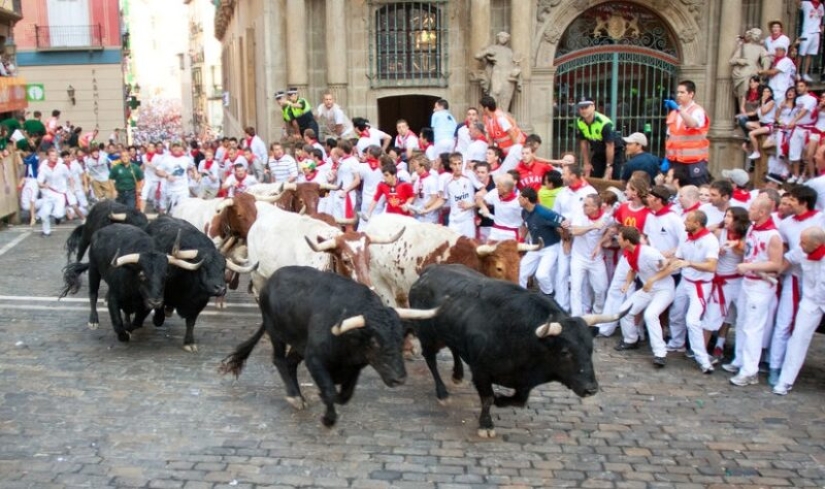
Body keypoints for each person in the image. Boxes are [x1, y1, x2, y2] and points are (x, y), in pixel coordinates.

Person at [723, 198, 783, 387]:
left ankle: (750, 371)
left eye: (753, 208)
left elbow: (776, 263)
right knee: (741, 323)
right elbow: (749, 250)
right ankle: (739, 360)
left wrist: (750, 266)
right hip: (747, 282)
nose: (750, 210)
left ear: (763, 212)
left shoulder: (773, 235)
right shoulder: (752, 228)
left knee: (753, 328)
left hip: (761, 285)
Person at [767, 185, 823, 386]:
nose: (787, 202)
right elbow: (789, 255)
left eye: (792, 199)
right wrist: (772, 272)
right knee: (791, 329)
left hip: (819, 289)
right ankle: (780, 373)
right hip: (801, 286)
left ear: (803, 201)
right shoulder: (787, 226)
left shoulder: (821, 219)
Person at [771, 226, 825, 395]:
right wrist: (775, 273)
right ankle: (785, 380)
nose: (800, 245)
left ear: (817, 244)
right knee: (798, 337)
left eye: (804, 242)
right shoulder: (801, 250)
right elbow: (789, 258)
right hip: (810, 300)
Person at [665, 210, 720, 374]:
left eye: (688, 221)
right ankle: (677, 343)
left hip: (700, 285)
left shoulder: (710, 240)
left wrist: (689, 263)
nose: (684, 223)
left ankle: (702, 359)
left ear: (697, 224)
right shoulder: (686, 237)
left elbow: (711, 266)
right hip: (686, 281)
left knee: (692, 320)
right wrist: (666, 262)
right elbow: (679, 258)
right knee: (675, 312)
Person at [614, 226, 676, 367]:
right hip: (648, 289)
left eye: (619, 237)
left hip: (664, 290)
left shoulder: (649, 253)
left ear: (627, 241)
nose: (617, 239)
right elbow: (632, 269)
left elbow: (668, 267)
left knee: (650, 315)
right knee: (624, 311)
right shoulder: (629, 252)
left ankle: (660, 353)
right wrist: (627, 283)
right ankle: (631, 340)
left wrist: (652, 280)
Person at [517, 186, 568, 296]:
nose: (518, 199)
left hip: (550, 247)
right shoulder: (524, 212)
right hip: (534, 247)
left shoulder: (545, 213)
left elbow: (564, 222)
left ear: (526, 200)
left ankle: (549, 294)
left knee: (541, 275)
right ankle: (520, 297)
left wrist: (565, 239)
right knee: (521, 272)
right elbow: (525, 225)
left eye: (520, 197)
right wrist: (521, 241)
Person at [569, 193, 610, 316]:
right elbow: (574, 231)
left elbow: (612, 230)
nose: (583, 207)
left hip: (596, 259)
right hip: (578, 258)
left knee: (601, 288)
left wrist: (601, 243)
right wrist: (592, 226)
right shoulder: (580, 214)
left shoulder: (607, 217)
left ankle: (597, 314)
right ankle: (577, 317)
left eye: (586, 205)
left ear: (595, 207)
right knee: (575, 288)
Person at [664, 80, 711, 186]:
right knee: (676, 189)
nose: (678, 95)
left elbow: (692, 124)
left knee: (696, 189)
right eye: (677, 92)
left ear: (691, 94)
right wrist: (666, 158)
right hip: (676, 161)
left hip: (694, 161)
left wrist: (678, 110)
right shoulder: (673, 113)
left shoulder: (697, 110)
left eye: (682, 92)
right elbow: (670, 137)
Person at [575, 96, 624, 179]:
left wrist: (609, 166)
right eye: (581, 108)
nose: (583, 110)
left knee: (613, 177)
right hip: (598, 153)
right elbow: (583, 143)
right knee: (593, 176)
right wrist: (586, 163)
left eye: (586, 107)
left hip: (614, 153)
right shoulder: (579, 122)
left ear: (593, 106)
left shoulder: (604, 123)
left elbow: (610, 146)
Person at [474, 31, 521, 114]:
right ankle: (494, 115)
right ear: (498, 38)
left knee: (506, 97)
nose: (504, 39)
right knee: (495, 95)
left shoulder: (509, 51)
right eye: (502, 37)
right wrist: (486, 52)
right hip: (498, 74)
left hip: (508, 76)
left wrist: (516, 70)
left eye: (506, 38)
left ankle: (503, 115)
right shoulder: (493, 48)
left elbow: (514, 63)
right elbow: (477, 56)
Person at [479, 95, 525, 173]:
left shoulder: (500, 118)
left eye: (480, 107)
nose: (479, 109)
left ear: (486, 108)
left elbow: (512, 133)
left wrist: (515, 150)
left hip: (515, 149)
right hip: (504, 151)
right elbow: (490, 137)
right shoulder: (486, 117)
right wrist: (490, 153)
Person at [786, 79, 818, 183]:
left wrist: (793, 121)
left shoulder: (811, 99)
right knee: (794, 153)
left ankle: (804, 175)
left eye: (801, 86)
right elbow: (795, 112)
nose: (799, 88)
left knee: (807, 155)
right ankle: (795, 175)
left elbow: (804, 111)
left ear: (807, 88)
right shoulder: (798, 99)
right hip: (797, 129)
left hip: (808, 130)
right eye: (798, 86)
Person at [36, 149, 73, 236]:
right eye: (52, 155)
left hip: (60, 194)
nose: (55, 157)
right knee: (44, 214)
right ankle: (46, 232)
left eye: (56, 155)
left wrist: (72, 188)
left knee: (58, 214)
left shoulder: (62, 166)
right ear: (48, 157)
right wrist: (44, 185)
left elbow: (70, 177)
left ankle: (62, 214)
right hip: (48, 194)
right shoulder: (44, 168)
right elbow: (39, 182)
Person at [477, 172, 523, 242]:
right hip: (495, 231)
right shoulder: (495, 192)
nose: (496, 187)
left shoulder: (519, 202)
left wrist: (521, 239)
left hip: (511, 234)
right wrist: (484, 207)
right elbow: (479, 200)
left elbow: (526, 222)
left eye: (498, 186)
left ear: (506, 189)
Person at [729, 28, 769, 103]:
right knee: (743, 92)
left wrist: (764, 70)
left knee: (754, 92)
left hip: (754, 72)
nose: (757, 36)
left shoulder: (760, 48)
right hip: (743, 72)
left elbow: (766, 58)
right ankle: (742, 111)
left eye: (759, 35)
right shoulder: (743, 47)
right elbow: (732, 60)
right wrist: (742, 61)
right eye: (755, 34)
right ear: (751, 35)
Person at [155, 142, 193, 212]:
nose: (176, 148)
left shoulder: (186, 159)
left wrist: (195, 174)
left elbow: (192, 167)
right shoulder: (166, 159)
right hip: (171, 192)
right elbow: (157, 171)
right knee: (172, 213)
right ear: (171, 148)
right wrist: (167, 175)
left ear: (182, 148)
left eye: (178, 146)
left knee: (183, 211)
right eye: (174, 146)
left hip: (183, 191)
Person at [797, 0, 825, 82]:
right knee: (801, 53)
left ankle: (805, 73)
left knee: (810, 54)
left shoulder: (821, 6)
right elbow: (797, 3)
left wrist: (822, 26)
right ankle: (797, 72)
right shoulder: (806, 3)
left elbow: (821, 18)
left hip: (816, 32)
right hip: (806, 32)